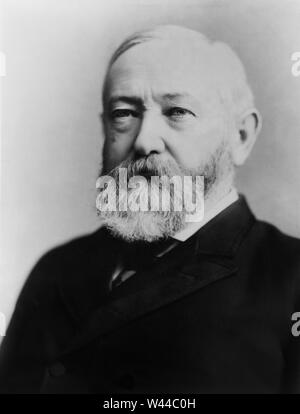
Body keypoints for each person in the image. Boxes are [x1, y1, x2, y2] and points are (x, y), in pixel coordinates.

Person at [0, 24, 299, 394]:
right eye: (123, 113)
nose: (143, 142)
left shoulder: (290, 278)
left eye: (177, 111)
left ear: (240, 137)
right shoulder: (56, 270)